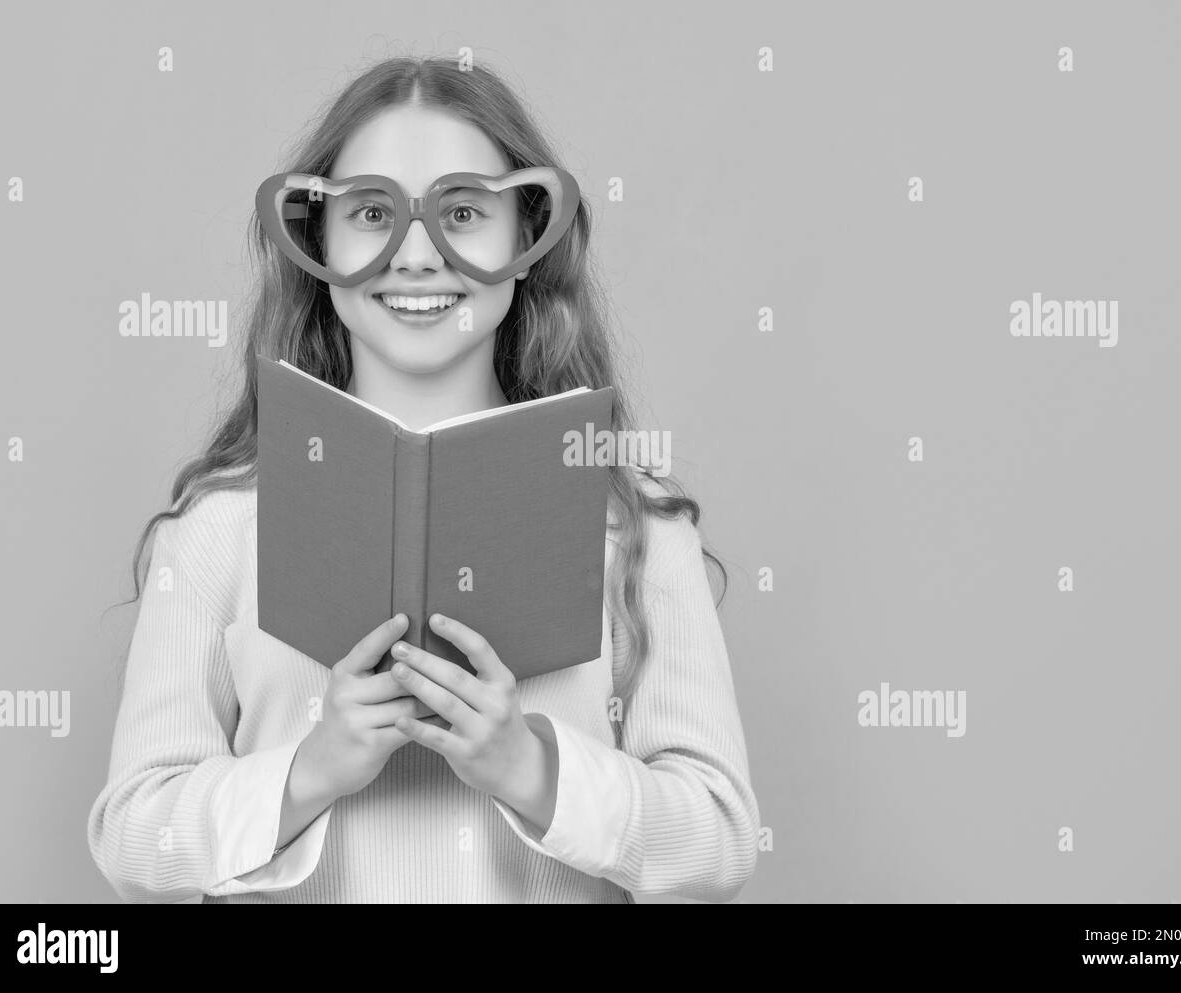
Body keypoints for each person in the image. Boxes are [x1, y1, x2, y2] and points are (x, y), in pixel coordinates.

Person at [87, 56, 759, 903]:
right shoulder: (221, 524)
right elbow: (132, 837)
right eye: (373, 212)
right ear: (318, 243)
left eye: (464, 212)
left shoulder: (636, 523)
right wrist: (308, 772)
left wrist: (533, 768)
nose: (414, 256)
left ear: (525, 244)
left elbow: (722, 838)